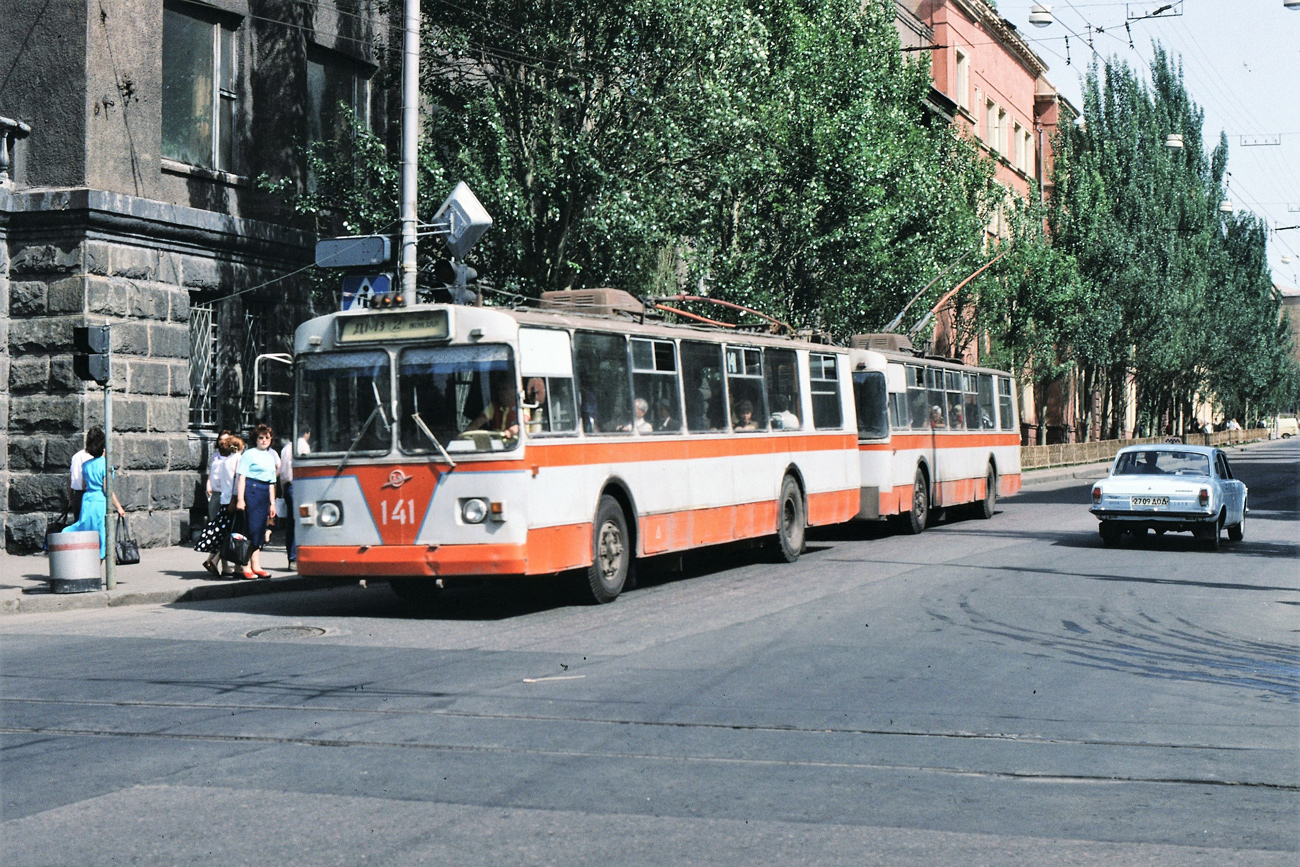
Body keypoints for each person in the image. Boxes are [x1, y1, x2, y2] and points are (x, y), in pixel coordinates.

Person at [61, 426, 126, 560]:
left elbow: (84, 485)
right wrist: (119, 507)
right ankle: (98, 566)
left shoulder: (85, 465)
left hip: (87, 500)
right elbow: (107, 489)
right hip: (99, 501)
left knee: (85, 530)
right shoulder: (106, 465)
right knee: (101, 534)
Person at [236, 425, 280, 579]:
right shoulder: (249, 454)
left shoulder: (271, 456)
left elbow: (271, 483)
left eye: (267, 438)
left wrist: (272, 503)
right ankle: (245, 566)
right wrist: (241, 499)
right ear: (255, 439)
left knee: (260, 530)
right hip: (251, 490)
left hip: (264, 493)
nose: (264, 440)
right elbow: (241, 478)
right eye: (261, 437)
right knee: (250, 530)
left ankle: (257, 565)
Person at [195, 435, 242, 576]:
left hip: (223, 499)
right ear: (240, 446)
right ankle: (215, 560)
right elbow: (237, 481)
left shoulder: (225, 461)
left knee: (222, 532)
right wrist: (237, 498)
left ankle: (213, 560)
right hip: (232, 501)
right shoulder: (238, 460)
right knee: (231, 533)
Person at [66, 426, 99, 521]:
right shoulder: (93, 458)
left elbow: (70, 479)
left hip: (77, 496)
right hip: (90, 496)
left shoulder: (76, 456)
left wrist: (70, 499)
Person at [280, 434, 297, 570]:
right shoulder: (302, 446)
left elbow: (282, 474)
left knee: (291, 523)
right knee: (299, 523)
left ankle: (291, 558)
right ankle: (296, 557)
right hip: (298, 486)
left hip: (287, 487)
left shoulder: (286, 448)